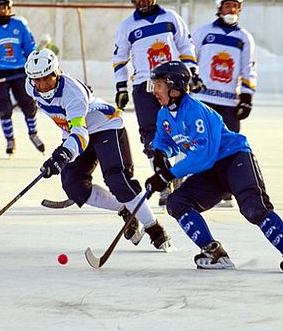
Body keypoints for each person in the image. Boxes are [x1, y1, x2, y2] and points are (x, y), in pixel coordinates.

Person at [145, 61, 283, 272]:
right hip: (212, 171)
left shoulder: (195, 111)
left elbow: (203, 156)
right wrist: (160, 156)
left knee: (254, 208)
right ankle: (214, 252)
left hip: (234, 159)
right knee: (177, 201)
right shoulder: (164, 114)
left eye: (158, 85)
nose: (154, 91)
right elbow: (165, 139)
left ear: (174, 86)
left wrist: (167, 175)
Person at [24, 48, 172, 251]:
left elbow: (81, 133)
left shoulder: (73, 94)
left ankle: (154, 229)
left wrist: (63, 154)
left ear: (56, 73)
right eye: (36, 80)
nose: (41, 85)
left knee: (117, 180)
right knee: (73, 185)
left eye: (46, 79)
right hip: (75, 134)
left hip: (105, 127)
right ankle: (125, 209)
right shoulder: (30, 87)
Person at [111, 0, 205, 205]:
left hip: (173, 80)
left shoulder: (171, 17)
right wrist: (121, 86)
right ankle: (164, 182)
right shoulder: (127, 26)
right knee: (151, 135)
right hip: (146, 84)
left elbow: (185, 45)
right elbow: (120, 58)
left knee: (182, 129)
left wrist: (192, 72)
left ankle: (182, 177)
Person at [192, 0, 257, 208]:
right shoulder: (203, 33)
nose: (232, 9)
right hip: (203, 98)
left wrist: (247, 95)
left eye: (235, 6)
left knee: (229, 145)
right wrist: (191, 80)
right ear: (219, 8)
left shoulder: (244, 38)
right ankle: (190, 181)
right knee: (197, 141)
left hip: (229, 101)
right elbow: (190, 60)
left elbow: (249, 68)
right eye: (228, 5)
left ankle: (226, 187)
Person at [0, 0, 45, 155]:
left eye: (5, 7)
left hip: (19, 70)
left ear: (9, 8)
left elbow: (29, 46)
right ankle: (10, 140)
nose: (2, 10)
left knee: (27, 102)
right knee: (3, 106)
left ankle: (33, 134)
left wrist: (34, 61)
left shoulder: (19, 26)